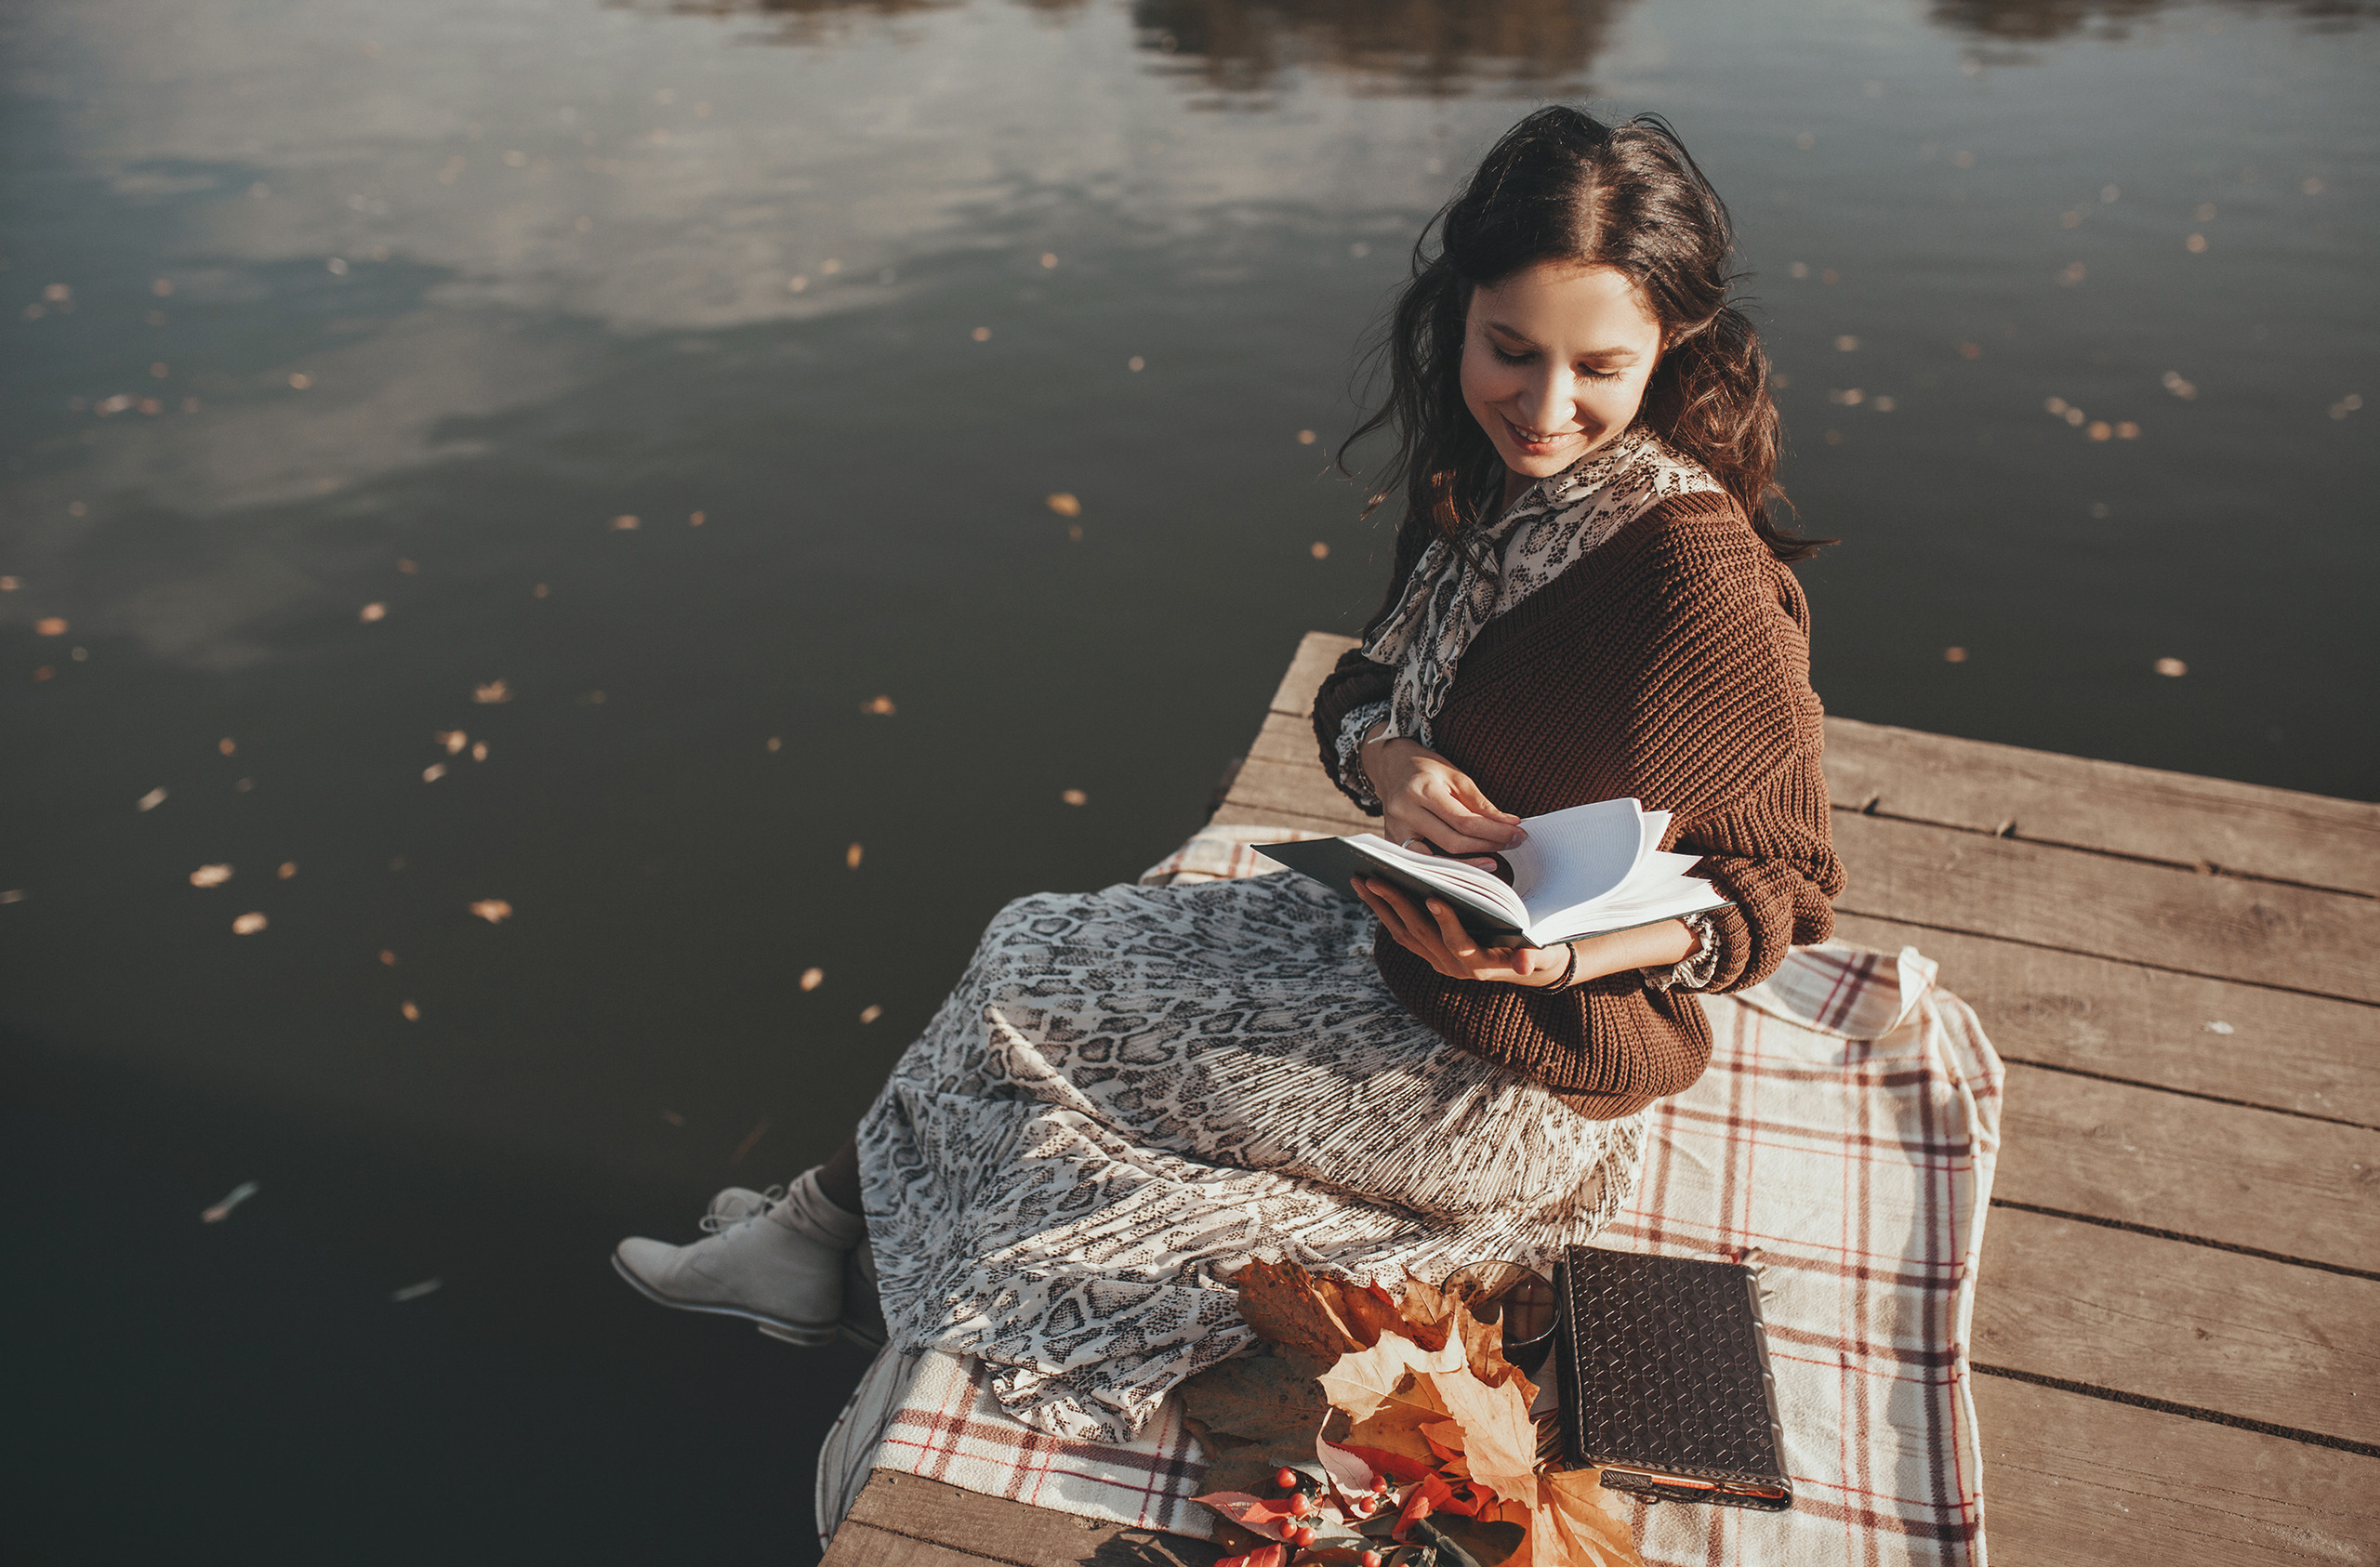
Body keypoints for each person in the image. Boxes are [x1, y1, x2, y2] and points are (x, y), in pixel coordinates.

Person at [612, 106, 1842, 1445]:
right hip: (1394, 953)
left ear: (1673, 344)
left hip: (1506, 1077)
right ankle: (813, 1229)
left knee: (1025, 1000)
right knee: (1034, 945)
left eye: (1597, 366)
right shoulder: (1503, 489)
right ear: (1462, 312)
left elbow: (1782, 893)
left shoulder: (1691, 577)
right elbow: (1362, 684)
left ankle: (807, 1238)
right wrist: (1389, 762)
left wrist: (1554, 966)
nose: (1545, 408)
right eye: (1510, 352)